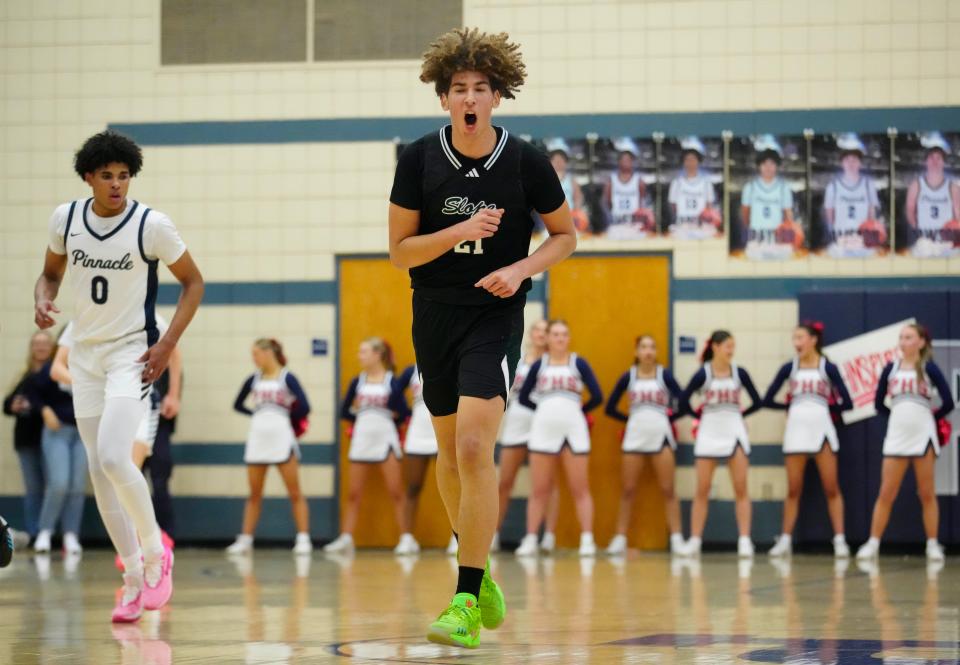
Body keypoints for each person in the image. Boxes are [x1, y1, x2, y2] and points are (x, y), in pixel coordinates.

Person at [388, 27, 576, 648]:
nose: (470, 98)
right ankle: (482, 566)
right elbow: (399, 253)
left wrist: (520, 269)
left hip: (494, 316)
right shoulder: (417, 159)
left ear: (498, 96)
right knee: (447, 455)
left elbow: (564, 236)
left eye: (481, 89)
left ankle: (465, 597)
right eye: (459, 89)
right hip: (433, 313)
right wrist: (460, 230)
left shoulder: (526, 161)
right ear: (444, 99)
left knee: (473, 447)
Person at [33, 130, 204, 623]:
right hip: (84, 355)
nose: (116, 185)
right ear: (89, 177)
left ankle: (155, 554)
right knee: (100, 473)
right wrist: (43, 298)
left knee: (114, 455)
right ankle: (131, 578)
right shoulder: (65, 220)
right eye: (106, 176)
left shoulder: (151, 225)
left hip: (131, 354)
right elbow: (50, 274)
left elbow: (194, 282)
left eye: (123, 176)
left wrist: (167, 343)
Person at [857, 323, 955, 561]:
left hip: (923, 437)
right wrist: (898, 417)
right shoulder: (890, 369)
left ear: (921, 342)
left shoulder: (929, 368)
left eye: (909, 337)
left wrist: (930, 418)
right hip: (897, 437)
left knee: (926, 493)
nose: (903, 342)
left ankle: (932, 544)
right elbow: (879, 403)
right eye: (901, 337)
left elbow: (949, 402)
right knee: (886, 492)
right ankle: (873, 543)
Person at [763, 323, 854, 558]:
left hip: (822, 430)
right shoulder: (789, 368)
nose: (796, 342)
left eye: (800, 337)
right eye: (794, 338)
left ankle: (840, 540)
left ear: (813, 340)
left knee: (831, 488)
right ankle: (785, 541)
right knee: (793, 490)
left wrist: (825, 405)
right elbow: (767, 399)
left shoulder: (828, 367)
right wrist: (791, 405)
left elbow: (848, 402)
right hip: (795, 432)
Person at [516, 320, 603, 557]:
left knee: (580, 488)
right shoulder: (539, 365)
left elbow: (597, 396)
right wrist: (545, 409)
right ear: (548, 338)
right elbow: (523, 398)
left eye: (564, 334)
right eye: (555, 334)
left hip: (574, 432)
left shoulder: (579, 363)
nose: (560, 338)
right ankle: (531, 538)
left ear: (569, 338)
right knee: (539, 490)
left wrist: (577, 411)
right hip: (543, 431)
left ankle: (587, 539)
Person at [679, 330, 762, 557]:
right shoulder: (703, 374)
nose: (731, 350)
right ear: (715, 347)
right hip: (709, 431)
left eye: (733, 346)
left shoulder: (739, 373)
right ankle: (695, 541)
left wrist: (741, 414)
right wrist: (698, 415)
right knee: (702, 489)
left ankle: (745, 540)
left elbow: (758, 400)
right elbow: (683, 400)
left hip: (734, 430)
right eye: (727, 346)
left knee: (741, 487)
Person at [227, 338, 312, 556]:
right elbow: (237, 404)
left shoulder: (287, 377)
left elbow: (305, 406)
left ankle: (303, 538)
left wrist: (284, 416)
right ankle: (245, 539)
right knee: (254, 493)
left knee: (294, 491)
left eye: (256, 353)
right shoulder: (253, 379)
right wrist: (256, 413)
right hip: (258, 437)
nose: (253, 358)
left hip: (282, 437)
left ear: (268, 353)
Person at [325, 338, 411, 554]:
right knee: (353, 493)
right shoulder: (358, 382)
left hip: (386, 441)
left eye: (364, 352)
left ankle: (406, 538)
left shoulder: (392, 381)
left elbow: (404, 412)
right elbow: (344, 411)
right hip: (362, 441)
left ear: (377, 355)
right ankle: (346, 538)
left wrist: (389, 417)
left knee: (396, 492)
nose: (359, 356)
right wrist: (362, 417)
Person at [604, 335, 685, 555]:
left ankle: (677, 538)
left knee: (668, 489)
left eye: (652, 346)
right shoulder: (628, 376)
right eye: (644, 347)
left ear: (656, 352)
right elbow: (609, 407)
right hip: (635, 436)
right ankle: (620, 538)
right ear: (637, 352)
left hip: (661, 436)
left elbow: (684, 401)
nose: (648, 351)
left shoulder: (664, 375)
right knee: (628, 490)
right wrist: (629, 420)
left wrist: (669, 416)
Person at [494, 319, 560, 553]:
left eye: (546, 331)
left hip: (544, 422)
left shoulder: (554, 362)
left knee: (546, 484)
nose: (541, 335)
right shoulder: (518, 358)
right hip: (517, 421)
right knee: (504, 481)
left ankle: (547, 536)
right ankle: (493, 533)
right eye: (538, 330)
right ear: (530, 333)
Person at [28, 327, 87, 556]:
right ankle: (45, 530)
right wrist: (44, 410)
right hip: (57, 432)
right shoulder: (51, 367)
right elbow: (32, 390)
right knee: (59, 482)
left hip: (82, 432)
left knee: (77, 486)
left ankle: (71, 534)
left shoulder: (87, 367)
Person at [3, 331, 56, 547]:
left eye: (45, 344)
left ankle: (49, 531)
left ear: (52, 347)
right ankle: (35, 533)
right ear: (32, 347)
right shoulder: (25, 375)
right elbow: (7, 404)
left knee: (56, 486)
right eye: (37, 344)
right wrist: (12, 405)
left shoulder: (55, 374)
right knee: (33, 488)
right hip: (26, 440)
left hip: (51, 439)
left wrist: (35, 407)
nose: (41, 348)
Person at [394, 362, 435, 555]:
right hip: (417, 433)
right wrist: (407, 414)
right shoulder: (411, 370)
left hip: (442, 432)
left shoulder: (452, 360)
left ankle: (458, 540)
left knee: (452, 487)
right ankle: (407, 537)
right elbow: (393, 393)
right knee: (412, 486)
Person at [823, 133, 885, 255]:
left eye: (854, 160)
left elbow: (871, 215)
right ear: (842, 163)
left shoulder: (868, 185)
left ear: (860, 163)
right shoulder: (833, 187)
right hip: (840, 240)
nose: (851, 163)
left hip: (863, 240)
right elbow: (829, 215)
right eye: (847, 160)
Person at [741, 135, 802, 255]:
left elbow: (788, 217)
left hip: (778, 238)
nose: (768, 168)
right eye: (764, 164)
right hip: (756, 238)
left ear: (777, 166)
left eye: (772, 164)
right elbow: (745, 215)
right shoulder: (750, 187)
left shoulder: (784, 188)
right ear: (759, 165)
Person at [904, 132, 960, 257]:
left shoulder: (953, 188)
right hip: (924, 243)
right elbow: (910, 213)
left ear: (943, 162)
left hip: (947, 244)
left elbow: (958, 216)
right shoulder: (916, 185)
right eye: (931, 157)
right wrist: (922, 234)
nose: (935, 161)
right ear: (926, 161)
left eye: (938, 158)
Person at [668, 136, 720, 239]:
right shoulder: (677, 183)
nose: (690, 163)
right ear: (683, 162)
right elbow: (673, 206)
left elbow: (709, 207)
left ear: (698, 161)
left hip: (701, 227)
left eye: (693, 159)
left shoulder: (706, 183)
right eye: (687, 159)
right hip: (682, 226)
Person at [603, 137, 654, 238]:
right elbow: (607, 202)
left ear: (632, 161)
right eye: (623, 159)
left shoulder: (639, 181)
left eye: (628, 159)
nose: (626, 161)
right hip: (617, 223)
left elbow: (643, 202)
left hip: (634, 224)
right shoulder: (611, 181)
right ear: (619, 161)